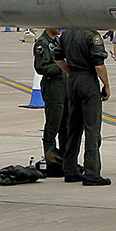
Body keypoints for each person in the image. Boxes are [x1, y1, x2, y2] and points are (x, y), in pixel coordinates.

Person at [53, 28, 111, 186]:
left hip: (73, 80)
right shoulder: (92, 35)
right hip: (87, 79)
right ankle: (92, 172)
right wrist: (106, 84)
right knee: (92, 128)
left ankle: (70, 168)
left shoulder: (67, 34)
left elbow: (57, 57)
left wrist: (70, 71)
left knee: (74, 127)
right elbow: (99, 64)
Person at [32, 28, 66, 175]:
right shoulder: (42, 43)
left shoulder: (58, 41)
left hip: (65, 88)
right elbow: (41, 67)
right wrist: (61, 67)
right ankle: (51, 159)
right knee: (54, 123)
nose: (60, 28)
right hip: (53, 88)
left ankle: (65, 160)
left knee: (66, 124)